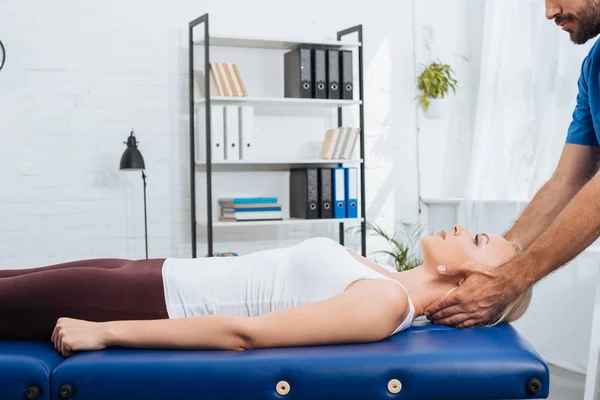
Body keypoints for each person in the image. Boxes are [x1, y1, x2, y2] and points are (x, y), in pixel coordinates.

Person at [1, 226, 531, 357]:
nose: (461, 229)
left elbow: (244, 333)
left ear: (470, 279)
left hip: (142, 302)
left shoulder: (385, 303)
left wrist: (107, 331)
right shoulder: (383, 277)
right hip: (149, 273)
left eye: (477, 239)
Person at [424, 0, 600, 328]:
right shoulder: (594, 67)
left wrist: (510, 281)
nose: (549, 12)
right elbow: (567, 179)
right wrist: (497, 263)